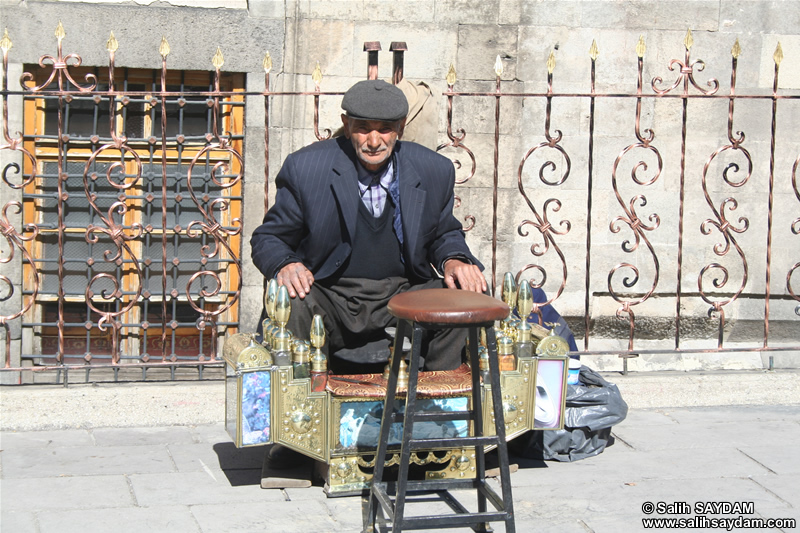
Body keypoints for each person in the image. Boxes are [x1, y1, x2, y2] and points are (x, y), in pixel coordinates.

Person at [250, 79, 486, 375]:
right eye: (363, 128)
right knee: (293, 298)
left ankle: (437, 399)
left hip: (404, 294)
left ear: (400, 127)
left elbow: (443, 232)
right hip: (330, 294)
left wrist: (455, 259)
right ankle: (302, 405)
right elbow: (268, 238)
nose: (374, 141)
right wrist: (286, 264)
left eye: (385, 129)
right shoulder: (307, 169)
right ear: (347, 126)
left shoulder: (433, 169)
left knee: (463, 299)